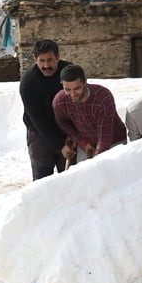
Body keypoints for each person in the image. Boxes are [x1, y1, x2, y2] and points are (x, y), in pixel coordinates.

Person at [52, 64, 127, 164]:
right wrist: (83, 143)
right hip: (87, 143)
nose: (73, 94)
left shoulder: (103, 98)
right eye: (68, 90)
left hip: (114, 141)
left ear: (85, 82)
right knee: (83, 175)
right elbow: (64, 124)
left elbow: (105, 139)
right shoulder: (59, 101)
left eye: (77, 88)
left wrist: (95, 164)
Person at [19, 39, 72, 180]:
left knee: (71, 178)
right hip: (39, 133)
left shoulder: (69, 73)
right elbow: (39, 120)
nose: (46, 65)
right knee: (41, 181)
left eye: (50, 60)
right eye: (41, 61)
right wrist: (60, 145)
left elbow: (79, 102)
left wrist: (74, 134)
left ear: (58, 57)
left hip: (67, 130)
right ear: (35, 59)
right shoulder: (28, 83)